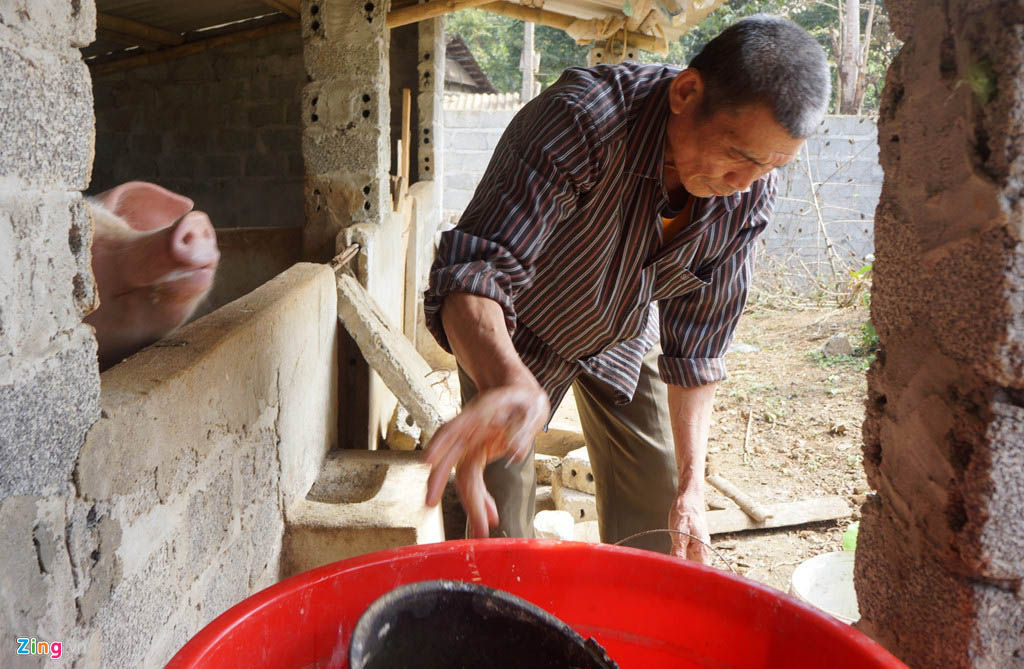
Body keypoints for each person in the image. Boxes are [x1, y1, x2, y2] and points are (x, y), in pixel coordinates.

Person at [422, 15, 830, 561]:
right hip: (513, 333)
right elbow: (475, 272)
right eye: (738, 155)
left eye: (769, 167)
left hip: (621, 330)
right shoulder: (581, 118)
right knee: (496, 522)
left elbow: (699, 347)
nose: (745, 183)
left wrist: (691, 487)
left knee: (662, 510)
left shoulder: (750, 193)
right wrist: (505, 382)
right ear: (686, 92)